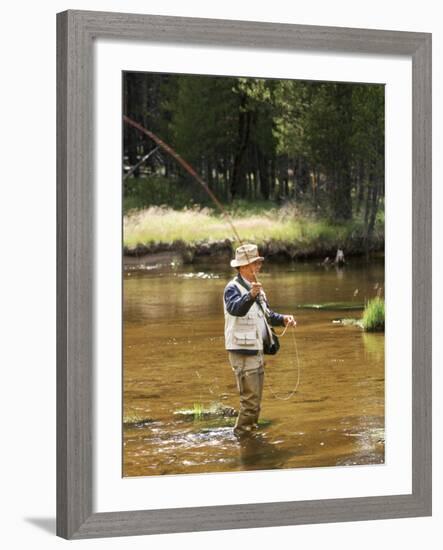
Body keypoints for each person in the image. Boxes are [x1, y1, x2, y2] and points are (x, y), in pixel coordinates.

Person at [223, 243, 296, 438]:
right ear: (244, 266)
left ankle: (250, 435)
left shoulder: (259, 290)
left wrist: (283, 319)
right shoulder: (232, 288)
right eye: (256, 263)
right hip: (241, 351)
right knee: (250, 402)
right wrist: (250, 295)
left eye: (258, 263)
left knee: (255, 401)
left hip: (256, 350)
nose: (259, 267)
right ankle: (242, 437)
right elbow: (235, 309)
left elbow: (267, 315)